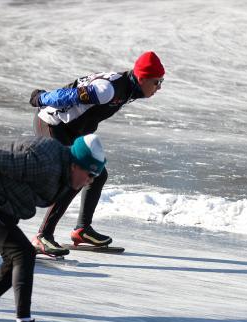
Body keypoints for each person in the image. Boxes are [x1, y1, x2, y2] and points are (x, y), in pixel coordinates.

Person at [0, 133, 106, 322]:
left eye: (94, 178)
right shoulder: (45, 164)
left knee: (16, 257)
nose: (89, 181)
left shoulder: (64, 170)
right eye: (89, 175)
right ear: (75, 165)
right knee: (22, 254)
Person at [29, 51, 165, 256]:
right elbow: (69, 95)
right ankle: (43, 236)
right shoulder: (108, 89)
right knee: (76, 177)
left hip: (72, 129)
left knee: (97, 174)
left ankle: (82, 230)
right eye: (156, 82)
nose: (159, 88)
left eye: (161, 81)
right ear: (142, 78)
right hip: (53, 125)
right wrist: (40, 98)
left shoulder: (128, 86)